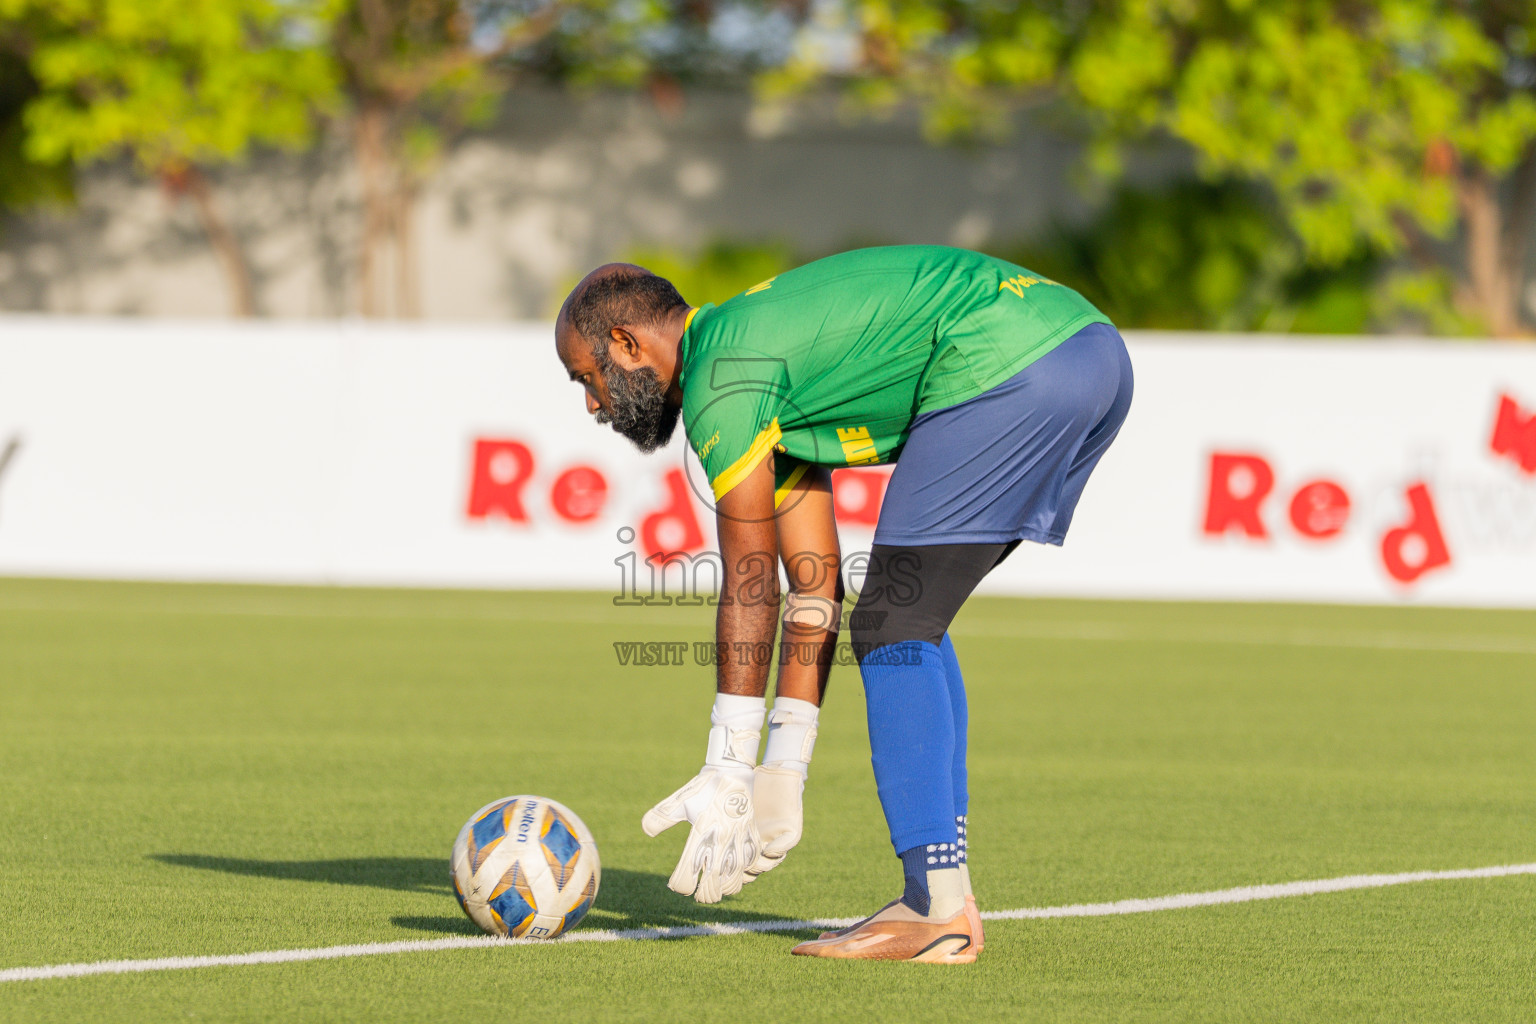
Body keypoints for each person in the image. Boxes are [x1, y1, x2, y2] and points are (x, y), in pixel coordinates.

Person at [553, 245, 1133, 963]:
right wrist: (782, 768)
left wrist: (728, 766)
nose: (591, 403)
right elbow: (814, 584)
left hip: (1010, 360)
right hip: (1090, 351)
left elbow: (750, 578)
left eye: (587, 378)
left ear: (626, 343)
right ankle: (942, 895)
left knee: (897, 623)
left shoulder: (721, 378)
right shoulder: (761, 372)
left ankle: (936, 907)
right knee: (911, 619)